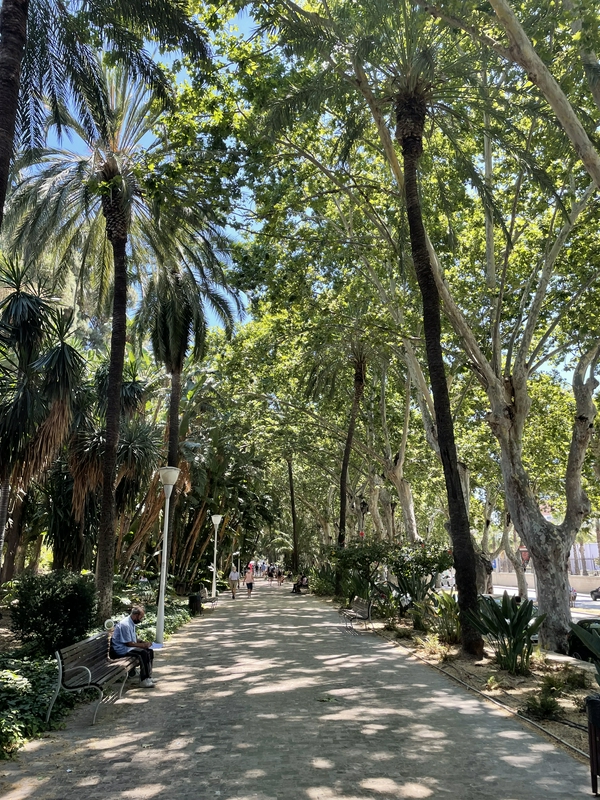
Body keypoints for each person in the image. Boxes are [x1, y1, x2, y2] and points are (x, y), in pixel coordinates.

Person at [110, 605, 155, 688]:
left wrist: (143, 642)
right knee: (143, 653)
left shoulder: (131, 623)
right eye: (141, 617)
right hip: (121, 649)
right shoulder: (125, 624)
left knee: (150, 650)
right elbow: (129, 643)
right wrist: (143, 645)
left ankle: (148, 677)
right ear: (135, 615)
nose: (141, 619)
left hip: (128, 647)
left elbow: (134, 639)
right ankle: (143, 680)